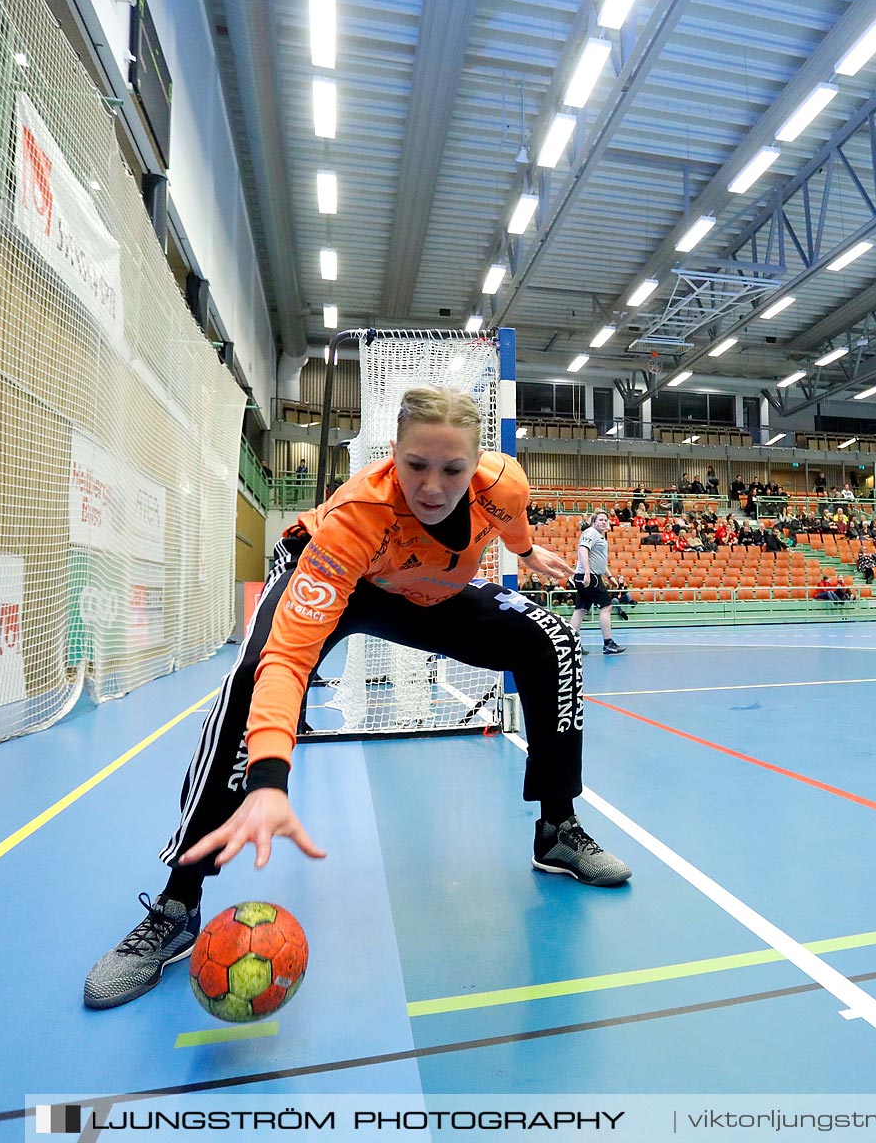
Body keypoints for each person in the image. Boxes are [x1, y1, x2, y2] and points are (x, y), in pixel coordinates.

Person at [82, 387, 629, 1011]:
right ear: (392, 451)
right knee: (254, 675)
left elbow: (512, 524)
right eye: (415, 464)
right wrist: (267, 777)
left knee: (552, 640)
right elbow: (289, 660)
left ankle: (557, 830)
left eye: (452, 469)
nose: (431, 486)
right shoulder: (358, 516)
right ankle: (179, 901)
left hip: (430, 591)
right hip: (343, 579)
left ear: (478, 465)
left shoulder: (503, 484)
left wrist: (528, 552)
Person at [569, 511, 625, 656]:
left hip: (590, 575)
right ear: (594, 521)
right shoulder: (591, 533)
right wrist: (587, 573)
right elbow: (582, 551)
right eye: (600, 519)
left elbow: (599, 559)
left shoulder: (600, 536)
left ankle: (571, 645)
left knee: (580, 609)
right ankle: (608, 644)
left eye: (605, 520)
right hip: (589, 577)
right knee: (607, 607)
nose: (603, 522)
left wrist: (610, 576)